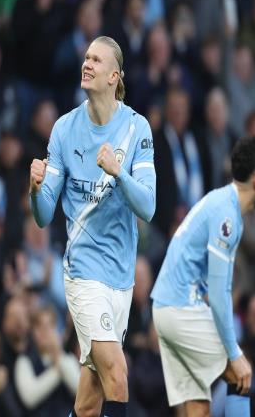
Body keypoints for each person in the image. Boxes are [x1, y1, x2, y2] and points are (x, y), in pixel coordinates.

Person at [29, 35, 156, 417]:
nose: (87, 64)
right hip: (83, 273)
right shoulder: (65, 129)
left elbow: (148, 207)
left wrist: (118, 172)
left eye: (97, 60)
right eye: (86, 58)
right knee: (117, 373)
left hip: (121, 276)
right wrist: (35, 189)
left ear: (115, 76)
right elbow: (43, 215)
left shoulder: (136, 128)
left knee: (89, 401)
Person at [151, 136, 255, 417]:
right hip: (181, 306)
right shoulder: (226, 216)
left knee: (198, 406)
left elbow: (222, 290)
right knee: (240, 373)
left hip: (167, 307)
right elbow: (219, 295)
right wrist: (233, 352)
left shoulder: (225, 205)